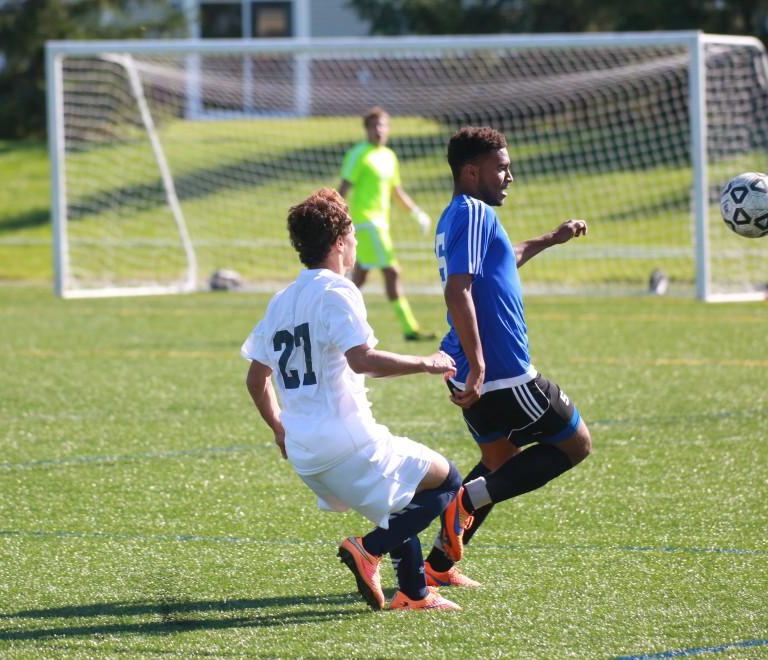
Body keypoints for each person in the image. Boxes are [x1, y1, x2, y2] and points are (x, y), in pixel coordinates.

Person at [242, 187, 468, 611]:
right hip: (346, 443)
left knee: (395, 503)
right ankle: (369, 549)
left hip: (306, 453)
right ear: (341, 241)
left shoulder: (281, 300)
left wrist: (278, 429)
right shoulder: (339, 291)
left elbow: (257, 378)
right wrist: (425, 362)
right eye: (355, 237)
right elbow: (363, 361)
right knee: (448, 479)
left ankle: (414, 593)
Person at [422, 127, 593, 588]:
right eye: (501, 167)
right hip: (501, 372)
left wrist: (550, 239)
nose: (509, 176)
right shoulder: (475, 212)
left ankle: (437, 567)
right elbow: (457, 290)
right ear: (472, 171)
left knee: (499, 460)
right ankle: (467, 500)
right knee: (576, 444)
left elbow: (500, 260)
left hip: (471, 374)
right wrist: (480, 365)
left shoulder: (455, 216)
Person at [339, 106, 435, 341]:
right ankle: (410, 328)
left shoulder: (389, 157)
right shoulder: (358, 154)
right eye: (374, 126)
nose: (379, 130)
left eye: (383, 125)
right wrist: (337, 220)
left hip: (381, 225)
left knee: (359, 278)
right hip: (366, 223)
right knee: (393, 272)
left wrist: (417, 213)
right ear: (367, 130)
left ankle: (328, 316)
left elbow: (396, 191)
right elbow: (342, 189)